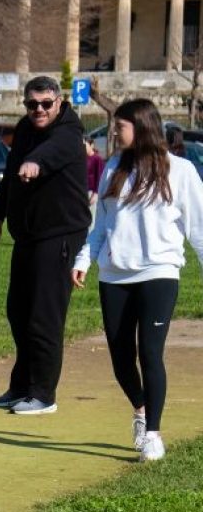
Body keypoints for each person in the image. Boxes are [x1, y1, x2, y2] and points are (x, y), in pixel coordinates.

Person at [71, 99, 203, 463]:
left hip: (158, 273)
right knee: (120, 358)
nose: (114, 131)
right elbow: (102, 226)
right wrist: (85, 258)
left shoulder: (181, 171)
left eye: (121, 126)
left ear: (142, 127)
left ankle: (153, 434)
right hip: (115, 276)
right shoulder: (114, 166)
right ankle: (141, 410)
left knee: (150, 352)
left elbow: (199, 230)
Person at [0, 75, 91, 415]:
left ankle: (43, 395)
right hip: (29, 236)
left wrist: (37, 162)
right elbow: (11, 167)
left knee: (44, 317)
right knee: (18, 311)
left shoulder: (69, 130)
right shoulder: (25, 127)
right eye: (32, 104)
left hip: (60, 234)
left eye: (46, 104)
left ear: (59, 102)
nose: (39, 110)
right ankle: (21, 386)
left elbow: (55, 149)